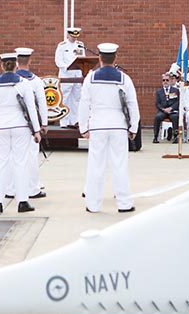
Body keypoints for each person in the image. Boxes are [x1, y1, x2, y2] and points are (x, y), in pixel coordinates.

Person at [79, 43, 139, 213]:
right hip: (118, 125)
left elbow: (84, 104)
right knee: (119, 164)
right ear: (115, 58)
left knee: (95, 165)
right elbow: (132, 104)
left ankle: (93, 204)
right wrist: (133, 127)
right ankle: (124, 203)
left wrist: (83, 127)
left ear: (99, 57)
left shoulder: (90, 78)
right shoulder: (124, 78)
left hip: (97, 124)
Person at [0, 52, 41, 213]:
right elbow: (31, 108)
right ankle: (23, 201)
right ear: (16, 65)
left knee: (0, 164)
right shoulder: (24, 83)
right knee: (21, 162)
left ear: (2, 66)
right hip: (20, 125)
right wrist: (36, 130)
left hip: (0, 125)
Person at [15, 47, 49, 199]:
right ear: (30, 60)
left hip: (14, 122)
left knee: (13, 156)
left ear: (17, 61)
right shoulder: (35, 81)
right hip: (31, 123)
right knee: (31, 155)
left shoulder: (11, 78)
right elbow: (42, 103)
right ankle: (33, 188)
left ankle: (12, 187)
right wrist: (44, 123)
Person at [55, 27, 85, 128]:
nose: (74, 38)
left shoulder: (80, 45)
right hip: (66, 75)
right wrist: (66, 67)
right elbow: (58, 60)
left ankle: (74, 121)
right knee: (65, 98)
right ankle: (64, 122)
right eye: (72, 36)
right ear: (68, 35)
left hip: (77, 75)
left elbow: (82, 59)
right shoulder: (62, 45)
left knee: (76, 98)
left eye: (75, 36)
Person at [152, 73, 179, 143]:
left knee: (175, 117)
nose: (165, 82)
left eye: (167, 80)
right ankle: (155, 137)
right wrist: (163, 109)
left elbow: (178, 102)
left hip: (172, 111)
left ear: (170, 81)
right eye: (163, 80)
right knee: (157, 117)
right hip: (163, 111)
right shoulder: (159, 92)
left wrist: (171, 108)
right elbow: (157, 103)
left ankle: (175, 137)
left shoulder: (175, 90)